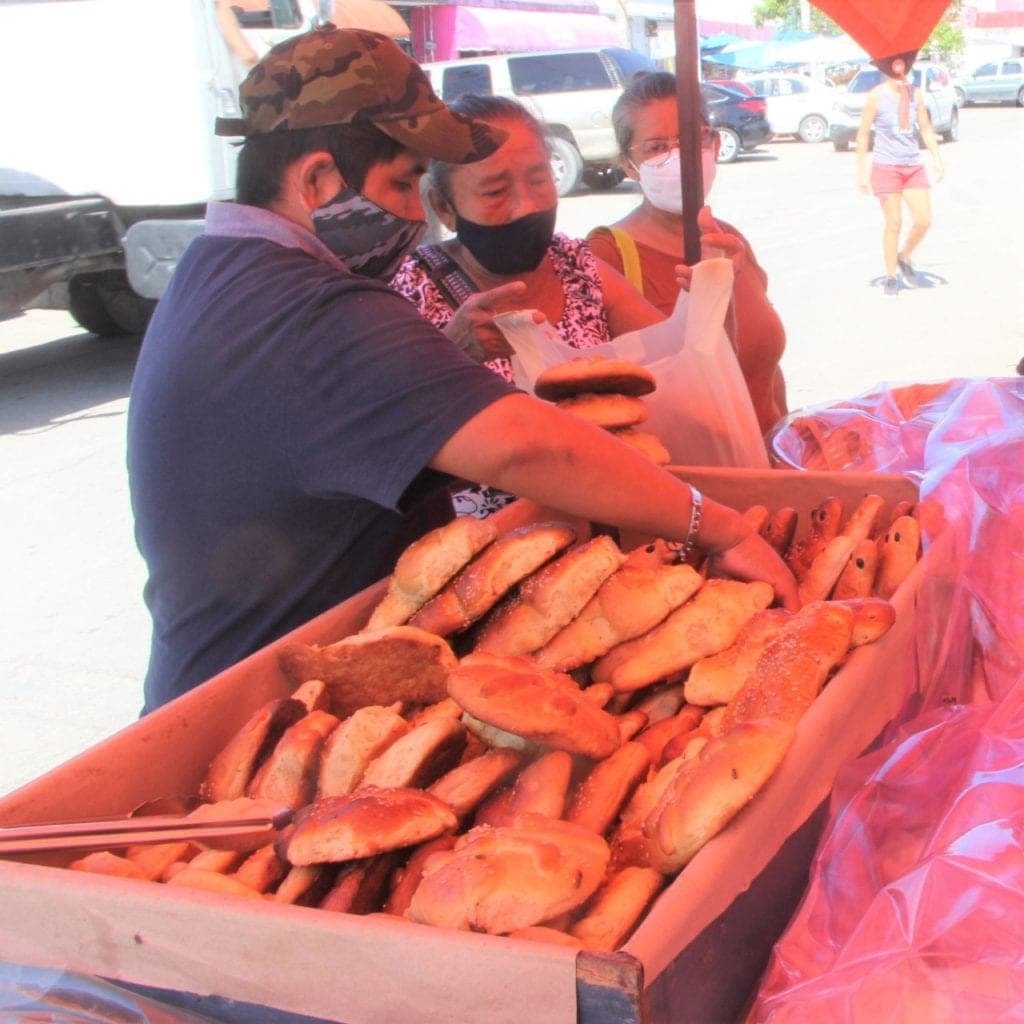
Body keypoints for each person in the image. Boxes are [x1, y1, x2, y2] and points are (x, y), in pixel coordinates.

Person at [126, 26, 798, 713]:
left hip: (253, 678)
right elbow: (530, 445)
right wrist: (717, 526)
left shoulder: (217, 272)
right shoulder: (309, 311)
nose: (417, 215)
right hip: (248, 708)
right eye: (404, 181)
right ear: (317, 179)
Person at [389, 93, 667, 515]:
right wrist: (451, 353)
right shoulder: (411, 290)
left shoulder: (577, 266)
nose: (528, 205)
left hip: (607, 513)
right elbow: (385, 440)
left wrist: (711, 302)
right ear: (445, 208)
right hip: (483, 543)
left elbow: (676, 362)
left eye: (539, 180)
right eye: (496, 191)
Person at [586, 71, 788, 436]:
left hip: (772, 470)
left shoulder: (730, 238)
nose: (679, 157)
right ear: (629, 164)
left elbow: (767, 372)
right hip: (687, 484)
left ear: (711, 141)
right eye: (657, 147)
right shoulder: (605, 257)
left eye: (691, 138)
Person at [856, 51, 944, 296]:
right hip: (886, 167)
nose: (901, 76)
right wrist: (862, 171)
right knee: (893, 222)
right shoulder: (876, 97)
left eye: (905, 70)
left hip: (912, 165)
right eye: (896, 71)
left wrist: (937, 158)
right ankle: (891, 275)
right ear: (886, 71)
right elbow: (863, 134)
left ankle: (904, 256)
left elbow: (925, 128)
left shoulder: (915, 94)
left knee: (924, 220)